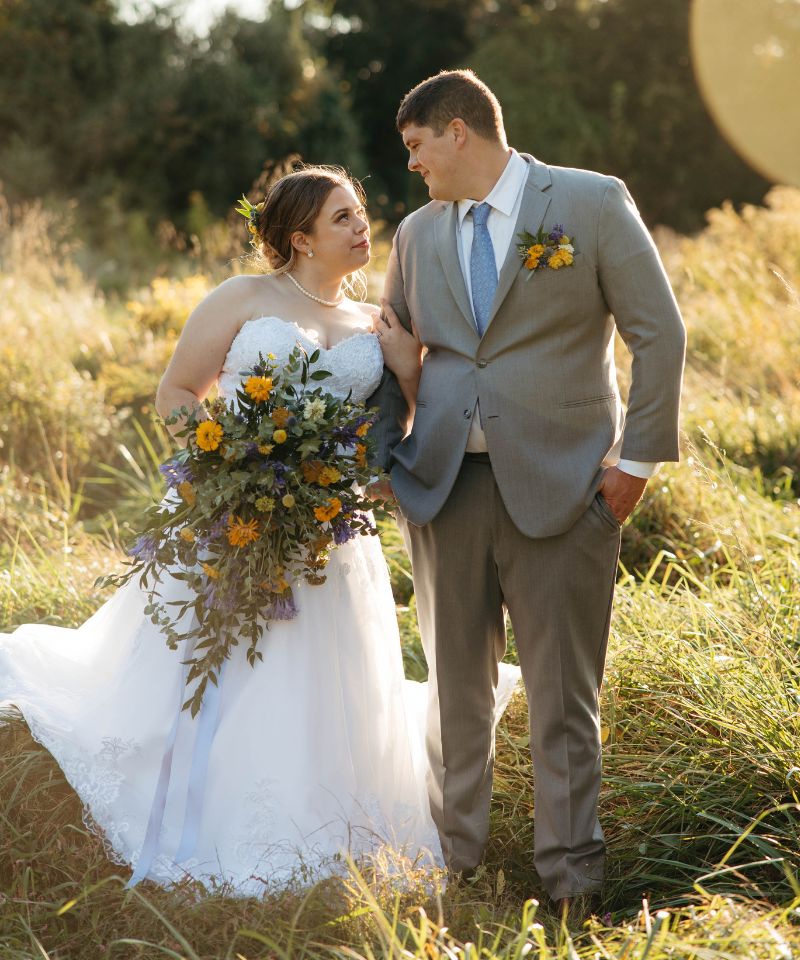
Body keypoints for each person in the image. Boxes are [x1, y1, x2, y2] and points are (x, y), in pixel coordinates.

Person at [0, 163, 520, 894]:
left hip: (330, 534)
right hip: (232, 516)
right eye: (343, 217)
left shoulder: (375, 325)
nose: (362, 227)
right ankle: (194, 802)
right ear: (301, 238)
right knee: (215, 666)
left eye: (360, 213)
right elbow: (176, 392)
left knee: (315, 682)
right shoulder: (242, 298)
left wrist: (407, 372)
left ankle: (307, 817)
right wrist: (229, 467)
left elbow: (395, 432)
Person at [368, 70, 686, 910]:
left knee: (563, 700)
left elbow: (659, 333)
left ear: (459, 131)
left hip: (569, 489)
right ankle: (453, 869)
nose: (412, 165)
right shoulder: (415, 234)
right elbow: (390, 352)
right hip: (444, 491)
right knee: (453, 694)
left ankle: (572, 884)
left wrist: (635, 465)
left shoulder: (589, 202)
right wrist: (384, 463)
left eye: (417, 146)